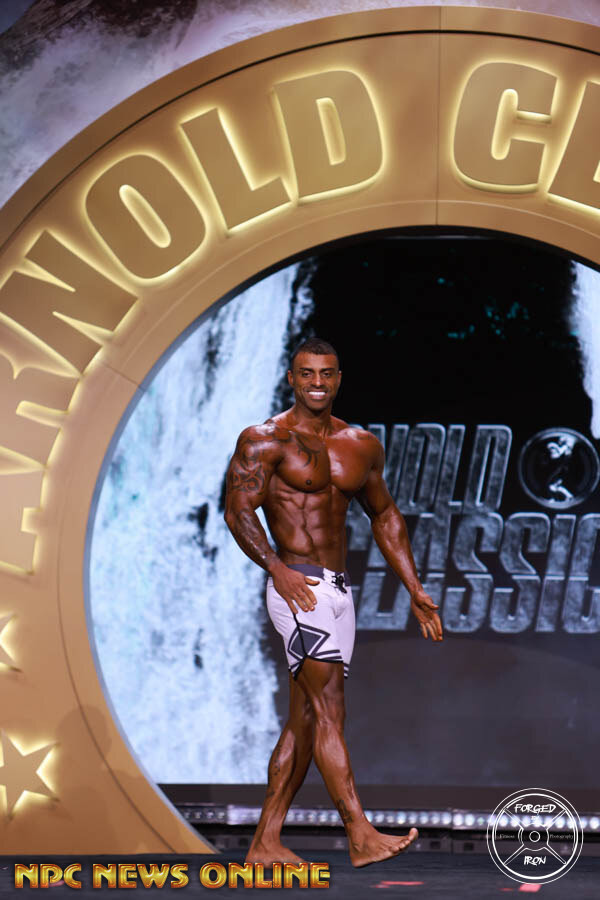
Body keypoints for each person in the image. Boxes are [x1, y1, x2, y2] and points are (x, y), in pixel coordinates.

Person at [224, 338, 443, 868]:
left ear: (339, 378)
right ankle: (359, 832)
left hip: (338, 593)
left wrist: (414, 587)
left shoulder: (360, 444)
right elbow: (238, 511)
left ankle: (265, 843)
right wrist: (276, 569)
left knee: (305, 719)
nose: (317, 383)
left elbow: (384, 515)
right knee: (329, 709)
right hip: (297, 588)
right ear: (292, 378)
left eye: (326, 373)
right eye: (307, 373)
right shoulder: (264, 439)